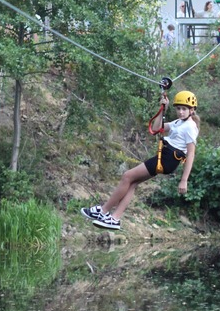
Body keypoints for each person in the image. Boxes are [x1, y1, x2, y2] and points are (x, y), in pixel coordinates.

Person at [80, 91, 200, 230]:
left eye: (184, 109)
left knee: (127, 176)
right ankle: (115, 218)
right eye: (178, 108)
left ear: (192, 110)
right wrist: (162, 109)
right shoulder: (179, 122)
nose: (180, 112)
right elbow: (156, 128)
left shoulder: (190, 127)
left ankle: (103, 210)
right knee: (132, 183)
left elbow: (191, 154)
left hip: (168, 159)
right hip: (165, 157)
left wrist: (184, 180)